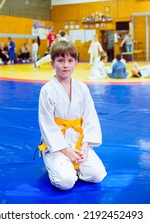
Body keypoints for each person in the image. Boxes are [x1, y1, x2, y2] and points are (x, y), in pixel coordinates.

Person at [37, 40, 107, 190]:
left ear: (76, 63)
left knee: (97, 175)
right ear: (52, 64)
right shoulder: (47, 90)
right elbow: (46, 124)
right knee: (65, 182)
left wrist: (86, 145)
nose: (65, 65)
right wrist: (66, 151)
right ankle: (57, 163)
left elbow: (90, 117)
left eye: (70, 60)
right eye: (61, 60)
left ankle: (72, 166)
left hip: (78, 142)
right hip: (57, 145)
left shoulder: (82, 88)